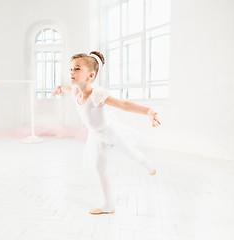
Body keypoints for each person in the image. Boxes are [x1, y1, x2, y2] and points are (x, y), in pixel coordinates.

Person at [52, 51, 161, 215]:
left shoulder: (97, 94)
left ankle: (147, 164)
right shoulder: (75, 92)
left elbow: (123, 104)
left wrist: (147, 110)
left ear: (90, 75)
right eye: (71, 69)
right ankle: (108, 204)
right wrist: (60, 88)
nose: (72, 72)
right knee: (99, 167)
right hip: (96, 135)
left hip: (109, 130)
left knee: (130, 152)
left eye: (77, 69)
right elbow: (67, 89)